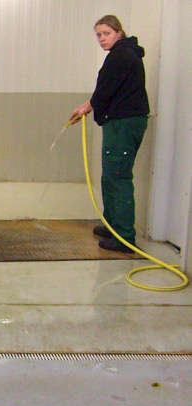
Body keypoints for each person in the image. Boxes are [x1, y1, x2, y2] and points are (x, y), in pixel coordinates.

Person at [69, 15, 150, 254]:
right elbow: (106, 91)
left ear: (118, 32)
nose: (102, 39)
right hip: (120, 122)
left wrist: (87, 107)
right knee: (111, 175)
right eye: (98, 35)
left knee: (118, 177)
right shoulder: (122, 54)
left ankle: (124, 237)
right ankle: (112, 226)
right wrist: (86, 105)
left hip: (124, 124)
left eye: (106, 33)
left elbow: (104, 91)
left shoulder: (121, 55)